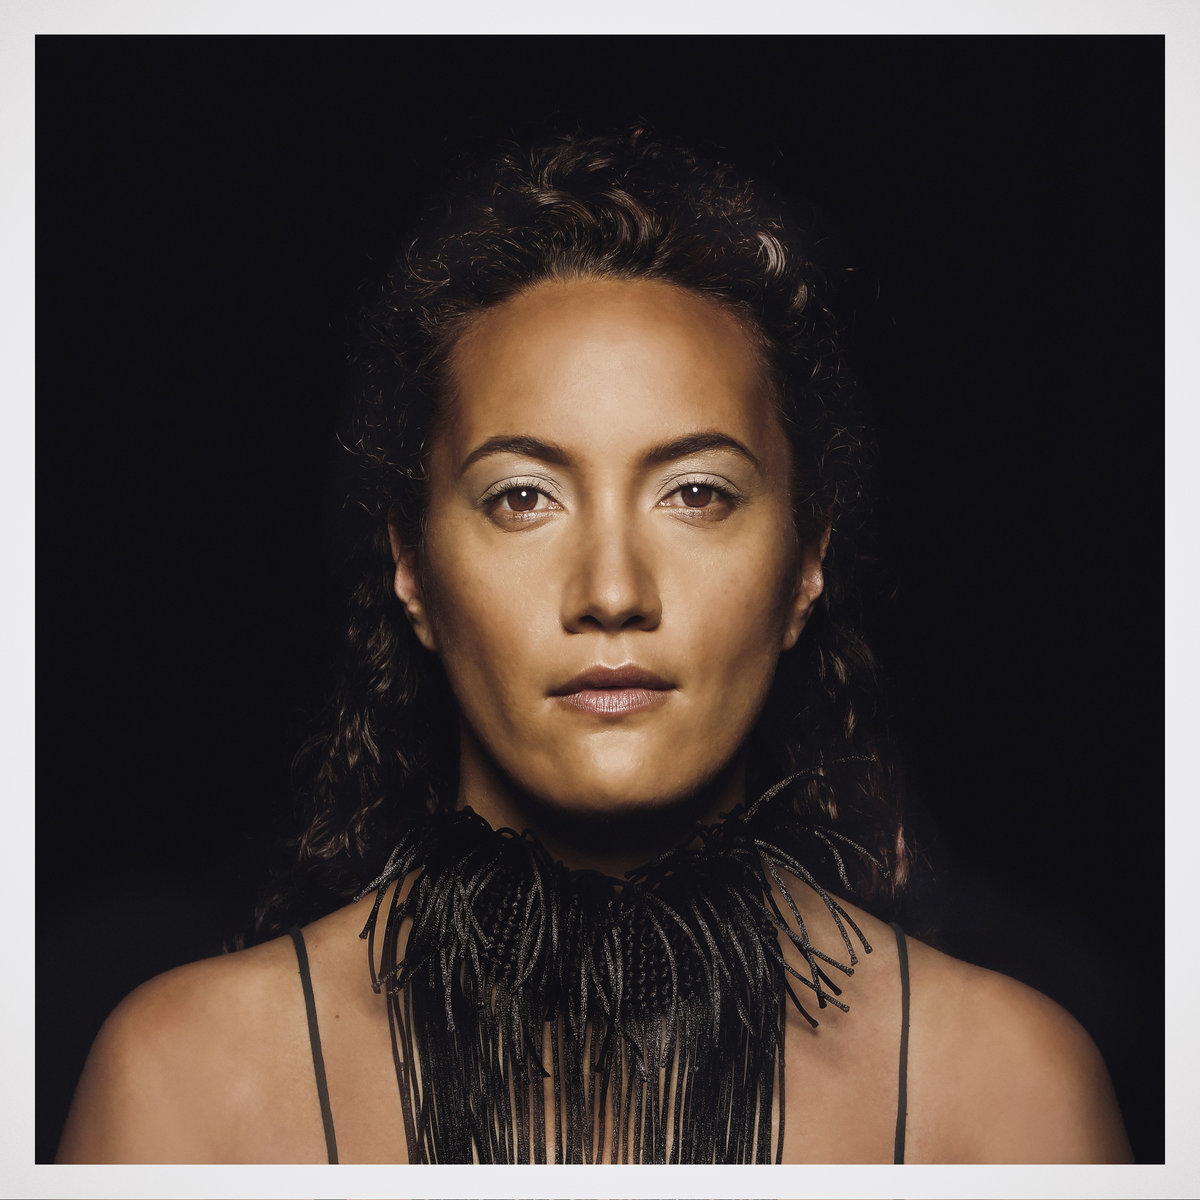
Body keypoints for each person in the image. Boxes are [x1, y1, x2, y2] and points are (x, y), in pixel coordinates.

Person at [56, 128, 1132, 1165]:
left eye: (697, 493)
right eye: (522, 496)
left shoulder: (1007, 1094)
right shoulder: (186, 1087)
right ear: (412, 570)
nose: (612, 594)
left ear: (806, 565)